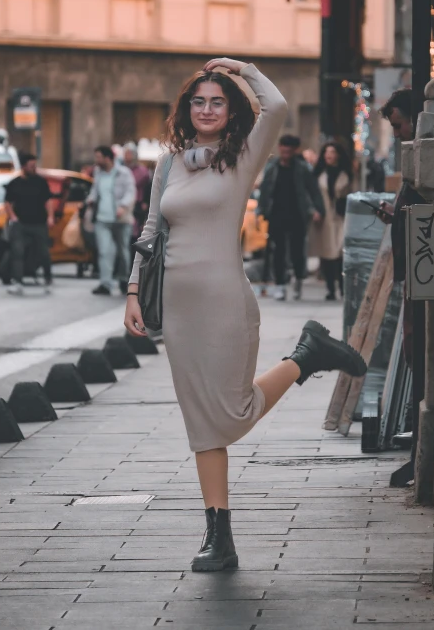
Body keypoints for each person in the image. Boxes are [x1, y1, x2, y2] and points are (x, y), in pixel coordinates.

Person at [124, 57, 367, 573]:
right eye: (199, 101)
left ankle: (305, 356)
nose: (207, 109)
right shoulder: (169, 163)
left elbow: (275, 105)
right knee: (201, 423)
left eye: (217, 101)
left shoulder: (242, 157)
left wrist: (241, 69)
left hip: (225, 301)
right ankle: (219, 535)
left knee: (231, 411)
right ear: (186, 110)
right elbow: (149, 233)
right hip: (178, 308)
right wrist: (131, 294)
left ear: (231, 112)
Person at [379, 87, 424, 366]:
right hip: (414, 268)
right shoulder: (414, 158)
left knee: (415, 336)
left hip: (421, 266)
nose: (396, 134)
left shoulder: (422, 158)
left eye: (398, 125)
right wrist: (396, 215)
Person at [258, 134, 324, 301]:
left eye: (289, 150)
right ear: (280, 148)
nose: (285, 152)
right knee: (277, 251)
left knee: (297, 251)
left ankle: (298, 281)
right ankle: (280, 285)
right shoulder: (272, 167)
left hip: (297, 214)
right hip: (276, 214)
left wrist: (318, 209)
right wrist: (261, 210)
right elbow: (265, 190)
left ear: (295, 150)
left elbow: (313, 190)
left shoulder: (302, 168)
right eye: (283, 148)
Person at [86, 145, 136, 296]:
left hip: (120, 219)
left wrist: (123, 206)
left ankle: (123, 279)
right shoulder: (98, 173)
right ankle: (105, 283)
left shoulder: (124, 173)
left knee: (122, 252)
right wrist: (90, 200)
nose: (96, 160)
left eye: (99, 157)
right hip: (102, 218)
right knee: (104, 251)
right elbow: (95, 191)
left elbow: (130, 192)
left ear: (108, 158)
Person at [4, 153, 53, 296]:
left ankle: (48, 280)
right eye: (31, 166)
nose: (34, 169)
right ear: (24, 167)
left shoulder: (40, 182)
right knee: (17, 251)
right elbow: (8, 202)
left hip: (39, 223)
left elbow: (48, 200)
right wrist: (12, 217)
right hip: (21, 223)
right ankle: (18, 282)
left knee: (44, 253)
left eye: (35, 166)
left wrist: (50, 217)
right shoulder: (15, 183)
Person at [310, 142, 353, 301]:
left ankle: (342, 287)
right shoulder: (318, 173)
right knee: (327, 254)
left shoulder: (345, 173)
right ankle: (330, 289)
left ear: (338, 155)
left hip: (341, 217)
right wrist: (314, 210)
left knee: (341, 253)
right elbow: (313, 195)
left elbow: (350, 194)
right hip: (324, 219)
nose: (329, 155)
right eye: (326, 152)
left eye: (332, 151)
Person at [123, 142, 152, 253]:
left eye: (129, 153)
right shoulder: (120, 170)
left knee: (136, 235)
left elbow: (148, 187)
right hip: (124, 206)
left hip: (137, 205)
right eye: (126, 153)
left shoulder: (142, 171)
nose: (127, 156)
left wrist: (145, 203)